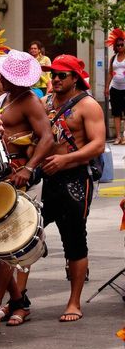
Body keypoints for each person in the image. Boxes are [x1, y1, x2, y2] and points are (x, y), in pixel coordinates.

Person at [0, 49, 54, 332]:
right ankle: (19, 301)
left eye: (5, 75)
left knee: (12, 243)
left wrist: (29, 168)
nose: (0, 78)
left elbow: (46, 137)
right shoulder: (2, 98)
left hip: (20, 178)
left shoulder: (30, 102)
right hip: (0, 176)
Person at [40, 54, 105, 323]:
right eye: (52, 74)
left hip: (76, 179)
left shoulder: (89, 106)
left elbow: (98, 144)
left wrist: (65, 159)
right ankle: (16, 300)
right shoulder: (46, 103)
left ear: (75, 78)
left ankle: (74, 301)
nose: (54, 79)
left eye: (61, 75)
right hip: (47, 178)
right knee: (25, 234)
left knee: (75, 241)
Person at [105, 29, 125, 144]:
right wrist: (107, 87)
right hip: (115, 89)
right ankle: (118, 136)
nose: (120, 46)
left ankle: (124, 135)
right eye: (118, 45)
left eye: (122, 44)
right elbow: (110, 73)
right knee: (116, 113)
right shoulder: (113, 58)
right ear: (115, 47)